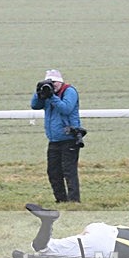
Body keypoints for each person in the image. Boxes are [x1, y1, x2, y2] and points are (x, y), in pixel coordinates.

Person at [31, 69, 85, 203]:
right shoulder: (48, 94)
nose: (52, 85)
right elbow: (34, 106)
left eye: (54, 82)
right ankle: (61, 200)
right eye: (49, 82)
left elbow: (66, 108)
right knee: (53, 172)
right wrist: (39, 93)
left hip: (69, 138)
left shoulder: (69, 91)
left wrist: (52, 97)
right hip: (54, 140)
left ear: (60, 82)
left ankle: (74, 201)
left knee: (69, 171)